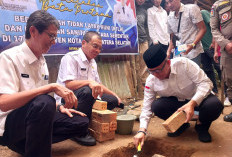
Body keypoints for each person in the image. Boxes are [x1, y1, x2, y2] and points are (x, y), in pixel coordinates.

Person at [0, 10, 95, 157]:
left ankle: (31, 145)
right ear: (33, 31)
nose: (54, 41)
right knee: (45, 101)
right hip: (10, 125)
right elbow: (4, 103)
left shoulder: (42, 61)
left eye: (55, 36)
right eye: (51, 36)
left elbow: (39, 104)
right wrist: (50, 87)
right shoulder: (9, 58)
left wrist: (59, 107)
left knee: (81, 121)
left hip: (34, 119)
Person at [134, 44, 223, 148]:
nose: (155, 75)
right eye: (151, 71)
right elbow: (147, 107)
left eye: (158, 70)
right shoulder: (151, 80)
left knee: (214, 105)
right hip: (178, 105)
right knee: (157, 106)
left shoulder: (184, 64)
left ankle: (201, 126)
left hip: (198, 101)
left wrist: (192, 103)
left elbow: (206, 84)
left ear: (168, 62)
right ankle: (181, 125)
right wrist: (142, 130)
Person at [55, 31, 123, 120]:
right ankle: (81, 123)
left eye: (100, 48)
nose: (98, 51)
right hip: (68, 99)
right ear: (84, 43)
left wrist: (114, 94)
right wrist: (89, 82)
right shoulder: (71, 58)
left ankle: (90, 118)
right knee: (87, 91)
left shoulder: (93, 62)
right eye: (95, 46)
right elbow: (69, 84)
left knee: (112, 100)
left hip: (88, 98)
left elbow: (98, 84)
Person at [210, 0, 232, 122]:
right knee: (230, 80)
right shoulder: (217, 5)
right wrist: (225, 44)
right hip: (228, 50)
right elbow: (214, 29)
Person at [166, 0, 206, 66]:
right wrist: (168, 51)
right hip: (178, 53)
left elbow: (203, 29)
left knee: (193, 75)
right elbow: (172, 37)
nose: (169, 5)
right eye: (167, 3)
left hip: (192, 52)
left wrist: (192, 45)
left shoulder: (191, 9)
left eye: (171, 1)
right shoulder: (169, 16)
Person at [135, 0, 152, 97]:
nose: (141, 0)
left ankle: (144, 84)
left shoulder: (144, 11)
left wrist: (148, 39)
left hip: (143, 39)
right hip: (132, 41)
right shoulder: (130, 8)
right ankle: (137, 85)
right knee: (135, 64)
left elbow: (146, 26)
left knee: (144, 63)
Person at [200, 10, 218, 94]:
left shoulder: (202, 13)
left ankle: (227, 92)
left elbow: (213, 26)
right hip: (201, 48)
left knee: (218, 67)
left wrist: (214, 40)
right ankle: (214, 90)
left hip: (210, 45)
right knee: (207, 70)